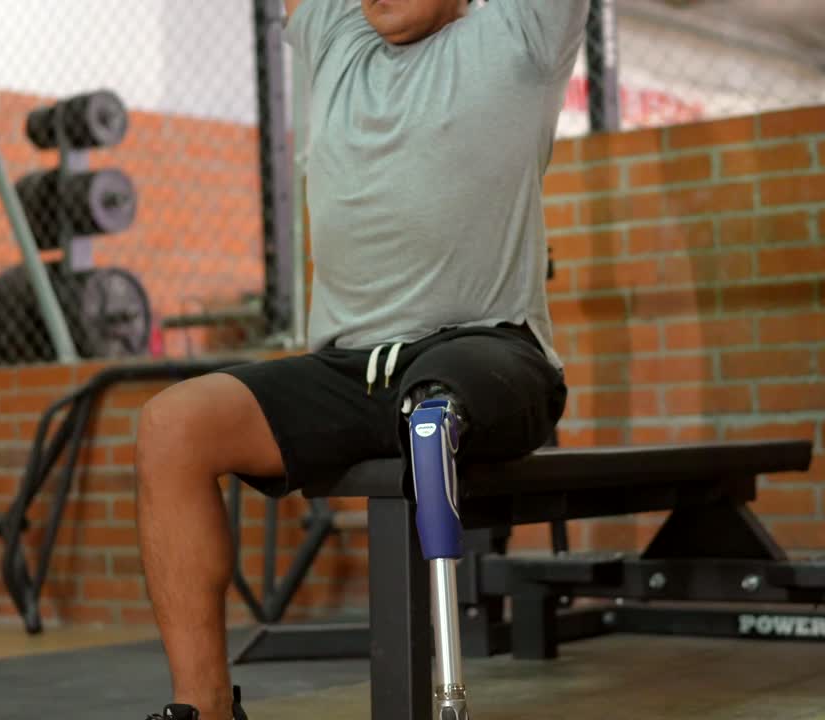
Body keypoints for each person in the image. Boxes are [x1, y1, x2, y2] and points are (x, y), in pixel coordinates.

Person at [137, 0, 588, 717]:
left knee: (433, 403)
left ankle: (447, 701)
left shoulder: (521, 34)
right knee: (172, 426)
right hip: (350, 370)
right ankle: (206, 709)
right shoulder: (338, 33)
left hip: (486, 347)